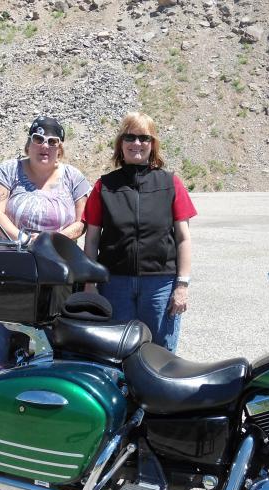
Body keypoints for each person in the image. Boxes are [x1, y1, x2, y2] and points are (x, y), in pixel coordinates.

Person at [82, 112, 196, 352]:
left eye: (144, 138)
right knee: (117, 351)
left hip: (160, 285)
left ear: (152, 144)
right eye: (130, 137)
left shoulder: (170, 183)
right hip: (115, 284)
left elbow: (183, 238)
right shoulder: (104, 186)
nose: (137, 144)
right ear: (120, 143)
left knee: (160, 353)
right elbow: (91, 239)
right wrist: (90, 283)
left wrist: (182, 285)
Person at [0, 116, 91, 364]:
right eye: (38, 139)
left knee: (56, 336)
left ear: (60, 147)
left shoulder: (73, 177)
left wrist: (53, 240)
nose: (45, 146)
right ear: (29, 143)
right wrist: (23, 239)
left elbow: (82, 221)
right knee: (13, 335)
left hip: (58, 271)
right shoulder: (8, 170)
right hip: (14, 269)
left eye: (52, 142)